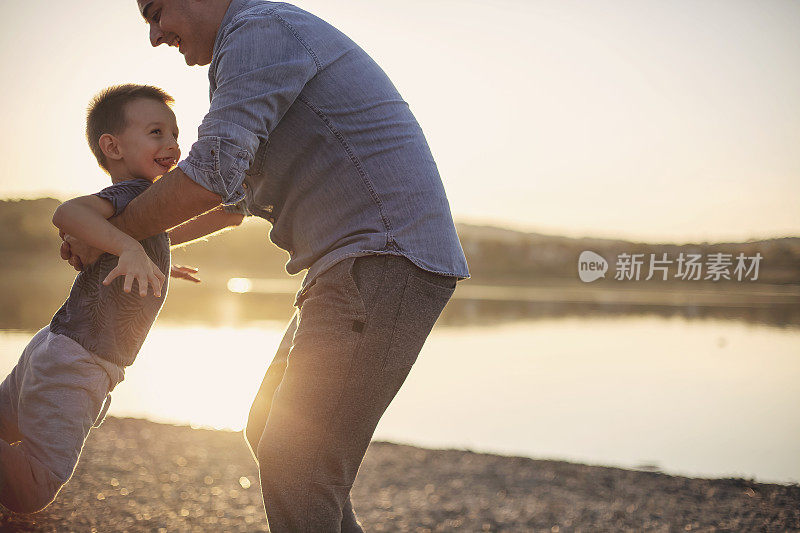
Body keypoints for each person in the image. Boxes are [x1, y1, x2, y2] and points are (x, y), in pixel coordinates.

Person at [62, 1, 470, 530]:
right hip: (357, 264)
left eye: (157, 11)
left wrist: (109, 235)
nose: (156, 36)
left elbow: (208, 175)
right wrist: (111, 240)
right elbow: (230, 201)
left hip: (383, 260)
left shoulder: (259, 32)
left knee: (297, 462)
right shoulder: (249, 49)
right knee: (270, 433)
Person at [0, 84, 242, 514]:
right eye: (155, 132)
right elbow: (67, 213)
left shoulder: (140, 205)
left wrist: (160, 260)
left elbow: (183, 227)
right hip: (81, 359)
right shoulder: (130, 193)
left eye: (174, 133)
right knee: (33, 487)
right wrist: (131, 250)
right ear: (112, 146)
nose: (172, 144)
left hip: (57, 344)